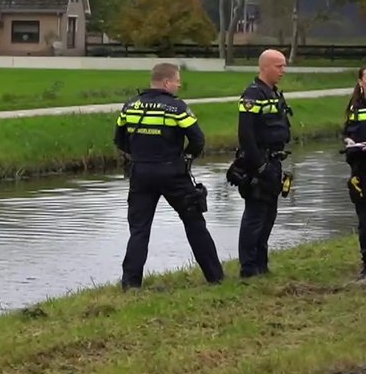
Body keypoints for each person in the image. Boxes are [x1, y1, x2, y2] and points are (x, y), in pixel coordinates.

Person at [114, 62, 225, 289]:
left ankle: (130, 284)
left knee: (139, 229)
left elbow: (119, 140)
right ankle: (215, 277)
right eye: (177, 80)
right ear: (166, 82)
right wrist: (186, 158)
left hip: (140, 173)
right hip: (172, 172)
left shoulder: (130, 106)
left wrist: (138, 155)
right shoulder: (176, 107)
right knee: (194, 222)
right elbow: (198, 139)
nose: (179, 84)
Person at [227, 48, 293, 278]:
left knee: (269, 215)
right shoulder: (252, 95)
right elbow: (246, 135)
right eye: (279, 66)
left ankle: (261, 265)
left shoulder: (273, 93)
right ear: (265, 67)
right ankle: (248, 268)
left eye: (284, 66)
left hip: (275, 160)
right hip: (259, 161)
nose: (283, 70)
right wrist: (260, 167)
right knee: (255, 216)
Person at [342, 66, 366, 279]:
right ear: (361, 81)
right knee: (364, 219)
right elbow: (346, 132)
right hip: (360, 168)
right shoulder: (354, 106)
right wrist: (349, 142)